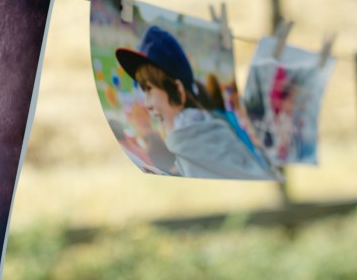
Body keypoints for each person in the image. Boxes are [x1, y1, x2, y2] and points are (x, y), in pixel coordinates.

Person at [116, 25, 276, 180]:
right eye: (144, 91)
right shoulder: (202, 138)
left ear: (178, 90)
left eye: (149, 89)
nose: (147, 104)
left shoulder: (198, 146)